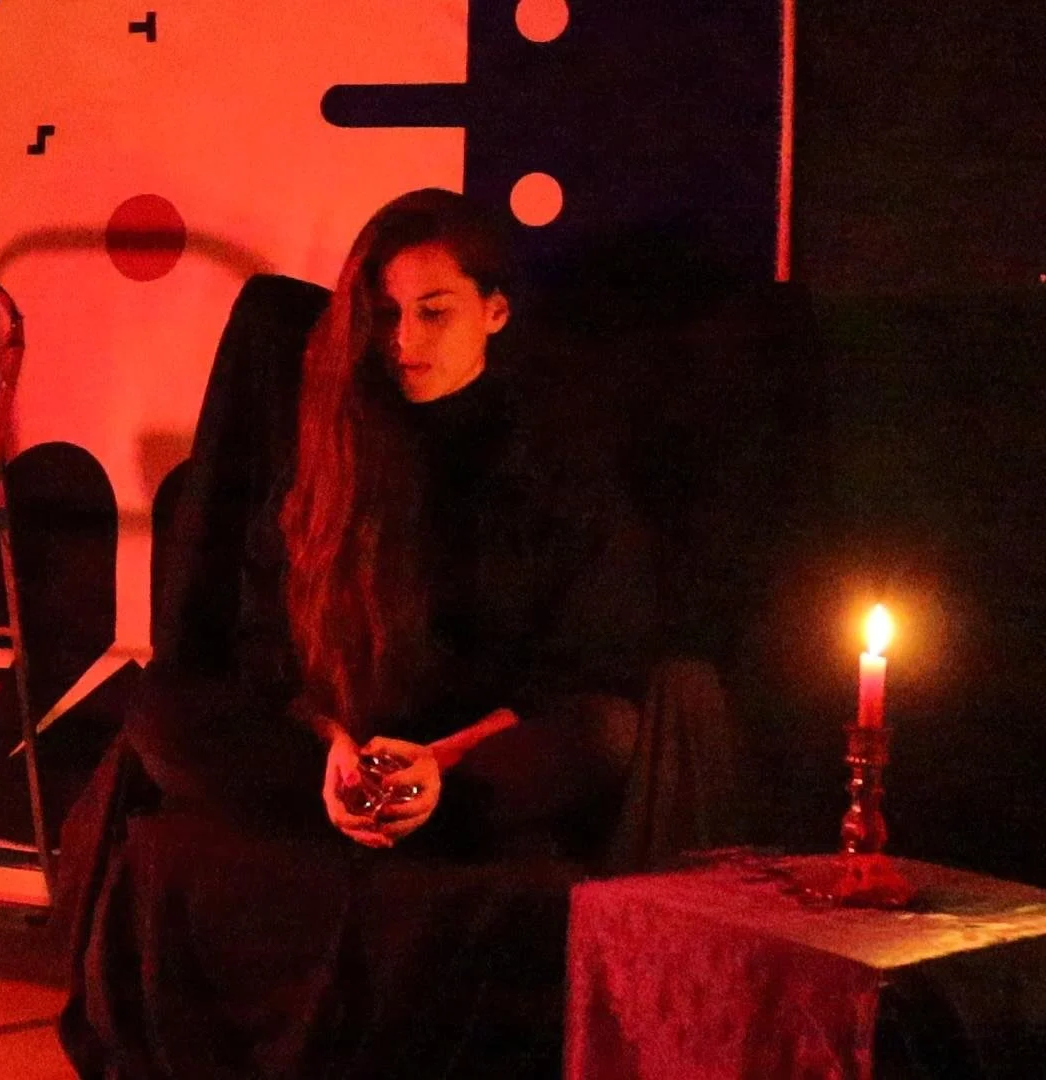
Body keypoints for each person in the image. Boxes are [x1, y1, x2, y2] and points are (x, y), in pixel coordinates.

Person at [60, 188, 657, 1078]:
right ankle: (349, 809)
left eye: (433, 312)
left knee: (608, 736)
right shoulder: (333, 443)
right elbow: (270, 649)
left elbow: (578, 673)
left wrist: (440, 765)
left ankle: (418, 814)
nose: (404, 342)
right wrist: (335, 751)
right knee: (160, 712)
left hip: (477, 755)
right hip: (335, 748)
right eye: (382, 316)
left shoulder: (557, 462)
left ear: (494, 312)